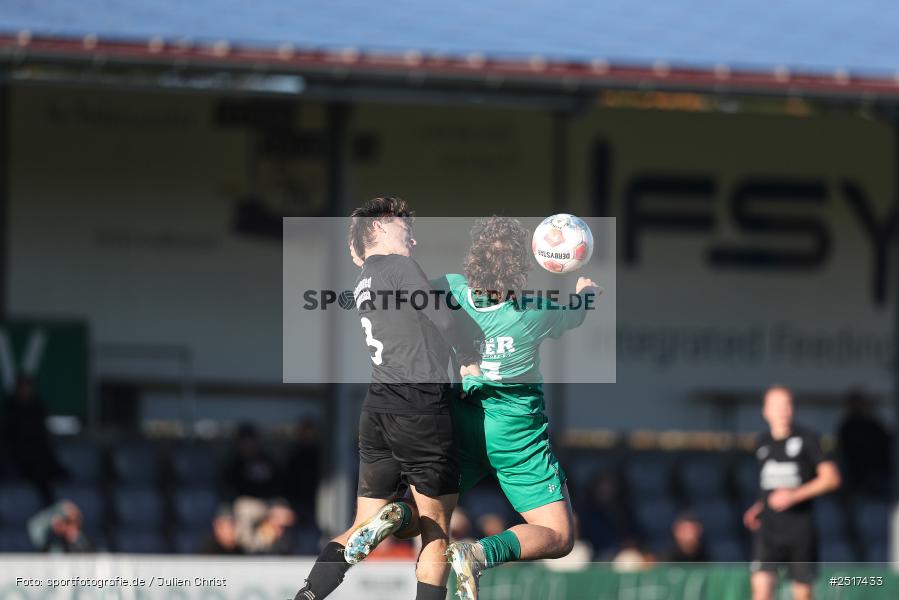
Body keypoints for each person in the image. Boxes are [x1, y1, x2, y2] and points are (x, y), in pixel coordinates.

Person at [292, 197, 481, 600]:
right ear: (377, 227)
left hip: (377, 408)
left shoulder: (365, 280)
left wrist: (358, 252)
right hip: (421, 406)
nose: (412, 231)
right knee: (436, 529)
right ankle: (401, 521)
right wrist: (469, 358)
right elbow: (442, 317)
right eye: (403, 224)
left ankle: (306, 595)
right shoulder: (400, 267)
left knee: (364, 523)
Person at [441, 216, 600, 600]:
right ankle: (479, 552)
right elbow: (577, 312)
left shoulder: (449, 288)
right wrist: (587, 292)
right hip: (516, 437)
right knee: (560, 536)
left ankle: (396, 516)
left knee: (426, 519)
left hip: (464, 425)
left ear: (474, 258)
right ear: (522, 268)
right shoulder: (535, 312)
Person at [743, 386, 841, 600]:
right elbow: (769, 484)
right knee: (761, 592)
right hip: (768, 530)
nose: (783, 411)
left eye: (787, 405)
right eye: (777, 406)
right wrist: (759, 506)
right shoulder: (762, 442)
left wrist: (794, 496)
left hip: (800, 531)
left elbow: (831, 478)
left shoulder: (807, 439)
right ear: (765, 411)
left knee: (803, 594)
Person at [2, 376, 66, 504]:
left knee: (52, 468)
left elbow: (42, 436)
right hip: (19, 456)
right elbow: (8, 437)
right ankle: (49, 505)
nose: (25, 391)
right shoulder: (11, 409)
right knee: (38, 471)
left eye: (27, 387)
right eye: (22, 387)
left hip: (40, 453)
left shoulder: (37, 407)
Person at [837, 389, 891, 497]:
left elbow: (886, 442)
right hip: (858, 474)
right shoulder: (848, 426)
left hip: (876, 472)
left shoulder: (872, 423)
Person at [224, 423, 282, 500]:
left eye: (251, 442)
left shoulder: (268, 460)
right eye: (245, 443)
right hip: (244, 501)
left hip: (270, 500)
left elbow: (278, 481)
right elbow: (230, 487)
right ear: (238, 444)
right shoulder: (234, 463)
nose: (249, 446)